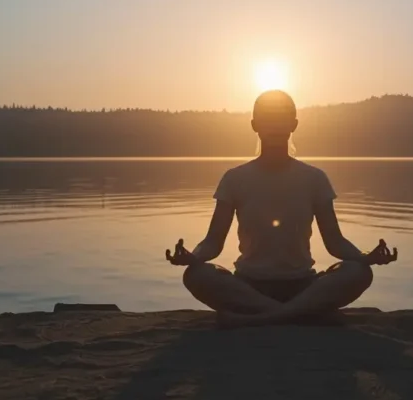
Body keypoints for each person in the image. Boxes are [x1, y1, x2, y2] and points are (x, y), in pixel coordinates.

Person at [165, 89, 397, 327]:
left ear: (293, 124)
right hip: (249, 286)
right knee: (197, 274)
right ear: (255, 125)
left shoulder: (314, 178)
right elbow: (213, 242)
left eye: (281, 119)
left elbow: (335, 241)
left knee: (357, 271)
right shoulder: (234, 179)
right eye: (268, 119)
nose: (274, 126)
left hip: (303, 284)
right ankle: (301, 313)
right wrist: (193, 256)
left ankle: (265, 317)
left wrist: (366, 257)